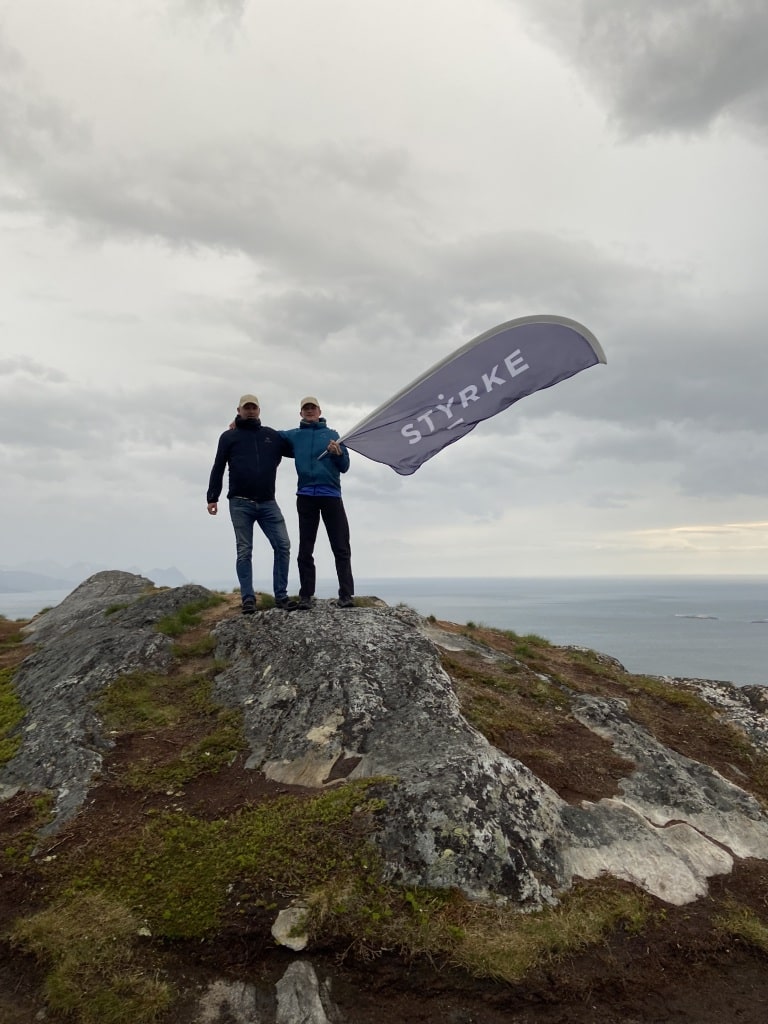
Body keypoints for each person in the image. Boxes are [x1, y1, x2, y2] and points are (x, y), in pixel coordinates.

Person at [207, 394, 297, 615]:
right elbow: (218, 466)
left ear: (259, 410)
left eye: (253, 407)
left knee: (283, 545)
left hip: (268, 502)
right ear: (238, 410)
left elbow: (298, 447)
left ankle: (281, 597)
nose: (250, 411)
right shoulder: (229, 437)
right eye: (246, 408)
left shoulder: (271, 436)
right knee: (244, 551)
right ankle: (248, 599)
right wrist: (212, 496)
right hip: (240, 503)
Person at [280, 397, 355, 610]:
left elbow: (345, 466)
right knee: (305, 548)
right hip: (305, 496)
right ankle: (306, 596)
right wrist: (238, 423)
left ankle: (346, 595)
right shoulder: (294, 436)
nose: (310, 411)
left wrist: (338, 453)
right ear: (301, 413)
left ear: (319, 411)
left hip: (331, 494)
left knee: (341, 546)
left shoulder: (333, 435)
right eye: (306, 409)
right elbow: (267, 436)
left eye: (313, 408)